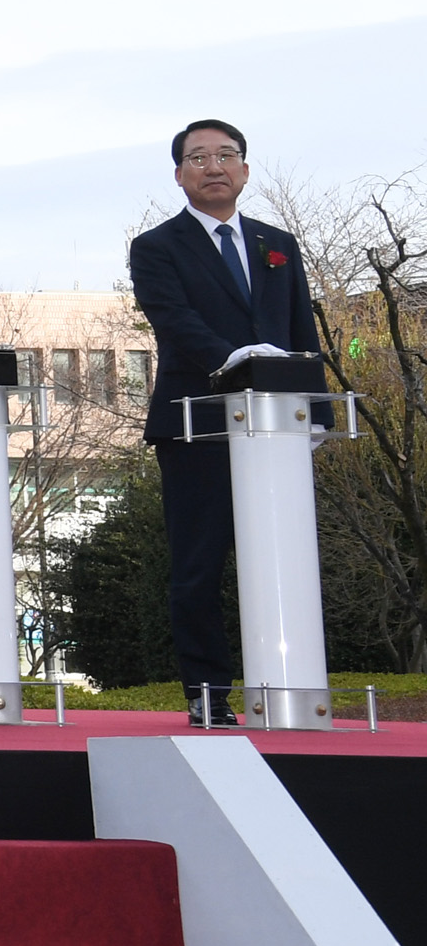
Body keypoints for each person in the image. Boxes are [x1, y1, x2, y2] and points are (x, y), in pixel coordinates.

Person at [125, 118, 326, 728]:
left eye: (226, 155)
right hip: (198, 423)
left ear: (244, 168)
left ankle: (290, 683)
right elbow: (174, 321)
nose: (214, 166)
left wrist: (313, 408)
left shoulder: (277, 243)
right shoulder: (157, 247)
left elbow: (298, 331)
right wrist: (230, 359)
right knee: (199, 564)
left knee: (282, 555)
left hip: (276, 430)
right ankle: (208, 692)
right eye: (198, 157)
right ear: (180, 174)